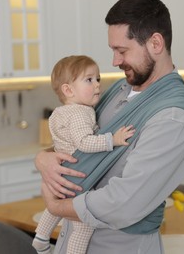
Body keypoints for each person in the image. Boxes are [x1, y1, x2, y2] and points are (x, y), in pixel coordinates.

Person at [35, 0, 184, 253]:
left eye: (122, 51)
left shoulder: (172, 119)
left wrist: (57, 208)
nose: (114, 61)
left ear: (156, 43)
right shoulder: (120, 90)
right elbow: (80, 142)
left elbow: (124, 202)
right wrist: (43, 158)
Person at [32, 55, 135, 254]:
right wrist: (112, 140)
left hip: (64, 174)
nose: (97, 85)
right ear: (68, 90)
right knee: (83, 225)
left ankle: (41, 237)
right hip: (79, 176)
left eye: (98, 79)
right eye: (89, 80)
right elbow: (84, 142)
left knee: (55, 207)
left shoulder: (59, 113)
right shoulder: (80, 113)